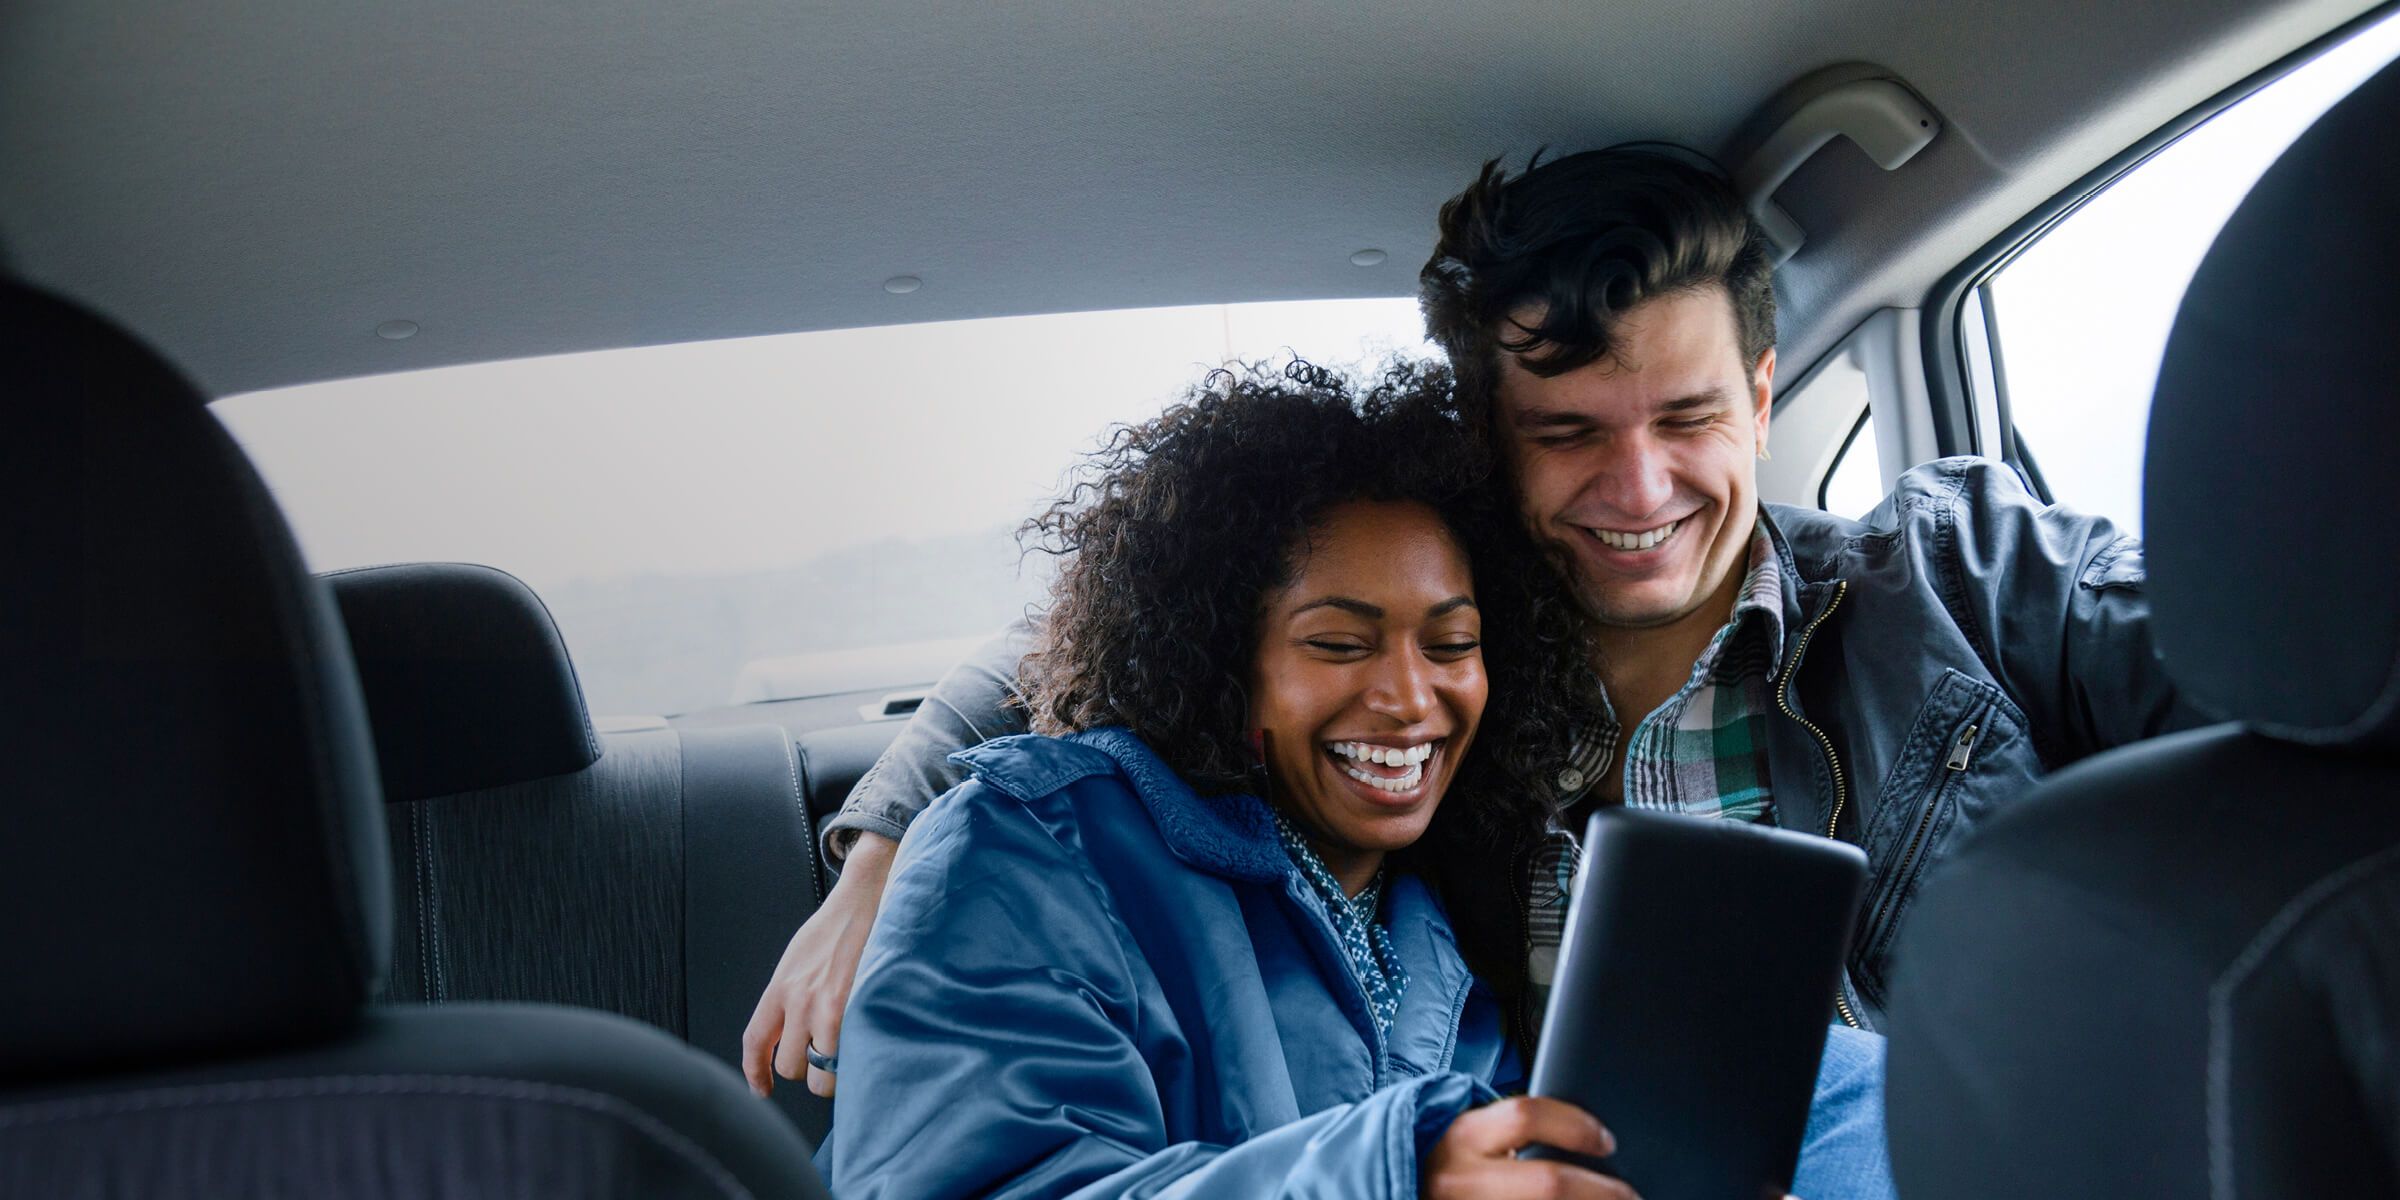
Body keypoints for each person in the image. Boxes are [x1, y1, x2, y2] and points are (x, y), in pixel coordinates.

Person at [747, 144, 2189, 1098]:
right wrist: (884, 849)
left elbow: (2255, 642)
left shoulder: (1960, 570)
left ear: (1760, 396)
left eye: (1688, 417)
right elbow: (1104, 635)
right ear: (1489, 436)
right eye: (1568, 432)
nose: (1639, 489)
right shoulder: (1425, 655)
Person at [814, 361, 1891, 1199]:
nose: (1410, 697)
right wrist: (1396, 1174)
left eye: (1451, 642)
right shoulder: (1028, 851)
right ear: (1225, 660)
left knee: (1842, 1084)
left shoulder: (1443, 939)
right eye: (1340, 644)